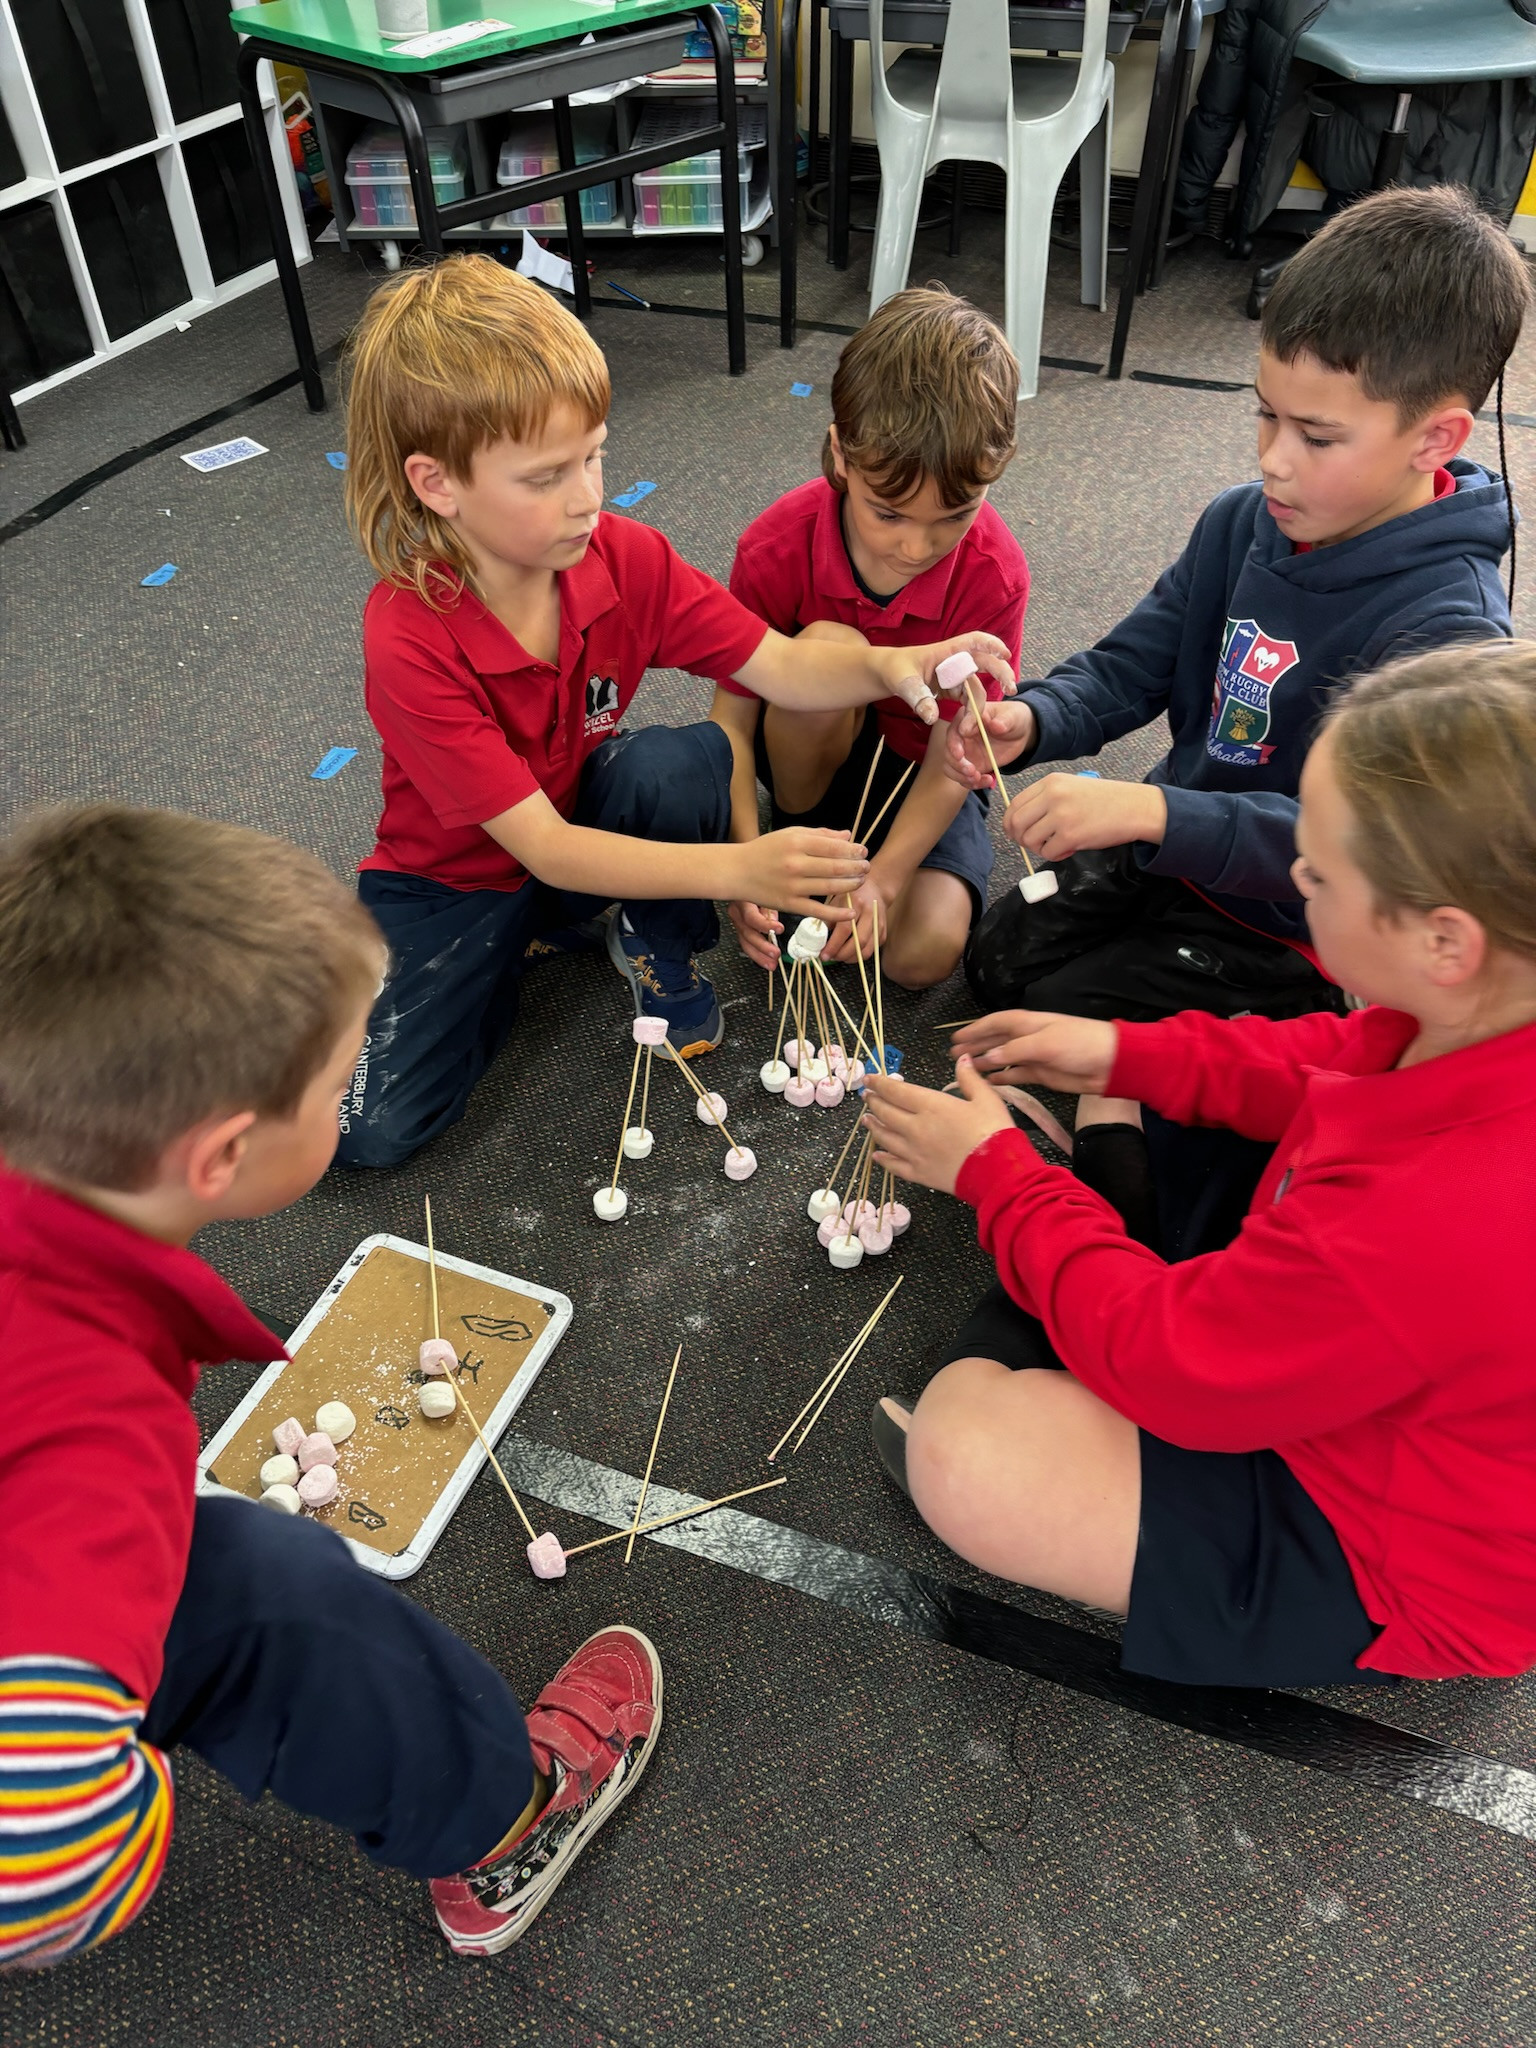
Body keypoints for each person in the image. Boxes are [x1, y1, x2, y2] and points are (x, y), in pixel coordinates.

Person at [0, 804, 663, 1969]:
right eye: (336, 1086)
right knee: (271, 1593)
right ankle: (508, 1819)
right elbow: (48, 1861)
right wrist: (128, 1773)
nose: (353, 1091)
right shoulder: (86, 1423)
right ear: (220, 1156)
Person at [862, 640, 1536, 1689]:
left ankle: (1095, 1204)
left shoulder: (1442, 1216)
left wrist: (998, 1177)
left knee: (971, 1450)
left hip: (1386, 1550)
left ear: (1448, 940)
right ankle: (1103, 1194)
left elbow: (1177, 1364)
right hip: (1371, 1369)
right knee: (1197, 1085)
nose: (1295, 877)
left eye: (1318, 870)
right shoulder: (1474, 1014)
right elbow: (1329, 1061)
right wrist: (1125, 1052)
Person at [948, 185, 1531, 1256]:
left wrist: (1154, 815)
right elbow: (1138, 655)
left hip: (1296, 926)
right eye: (1263, 413)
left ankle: (1156, 1134)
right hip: (1175, 855)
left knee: (1076, 1023)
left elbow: (1350, 858)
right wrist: (1034, 717)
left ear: (1433, 437)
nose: (1271, 457)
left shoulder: (1446, 633)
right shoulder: (1245, 522)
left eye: (1315, 434)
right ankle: (1138, 1094)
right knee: (1004, 961)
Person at [338, 258, 1012, 1169]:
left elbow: (776, 664)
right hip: (458, 879)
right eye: (546, 477)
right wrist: (740, 864)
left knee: (683, 760)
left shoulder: (620, 555)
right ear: (437, 484)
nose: (588, 495)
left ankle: (633, 933)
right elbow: (540, 847)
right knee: (376, 1136)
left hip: (580, 831)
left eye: (594, 456)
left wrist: (896, 663)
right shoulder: (410, 637)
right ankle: (516, 949)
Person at [710, 286, 1029, 990]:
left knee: (922, 956)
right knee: (824, 648)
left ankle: (853, 865)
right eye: (888, 514)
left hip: (926, 775)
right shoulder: (775, 545)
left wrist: (885, 879)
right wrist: (744, 864)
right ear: (840, 457)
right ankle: (806, 829)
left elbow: (958, 745)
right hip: (811, 751)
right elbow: (731, 719)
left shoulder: (994, 575)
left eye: (954, 516)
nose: (916, 547)